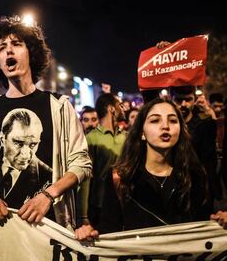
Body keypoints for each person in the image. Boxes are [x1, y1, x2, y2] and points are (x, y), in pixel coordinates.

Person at [0, 15, 96, 239]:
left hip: (52, 231)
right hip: (3, 230)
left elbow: (81, 163)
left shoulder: (59, 107)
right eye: (2, 47)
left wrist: (48, 195)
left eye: (16, 44)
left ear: (31, 53)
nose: (9, 51)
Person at [76, 98, 227, 240]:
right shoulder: (120, 178)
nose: (165, 126)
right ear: (142, 132)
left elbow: (203, 229)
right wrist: (90, 233)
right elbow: (108, 232)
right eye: (155, 120)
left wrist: (220, 221)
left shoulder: (195, 175)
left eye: (173, 120)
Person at [76, 93, 126, 229]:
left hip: (124, 204)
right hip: (100, 206)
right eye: (120, 105)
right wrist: (83, 215)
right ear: (111, 109)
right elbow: (85, 178)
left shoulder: (126, 137)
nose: (124, 109)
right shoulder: (91, 139)